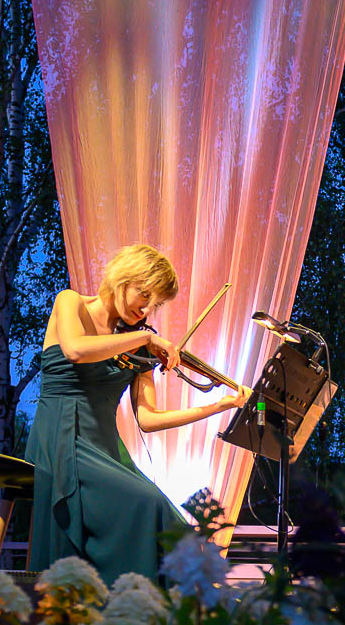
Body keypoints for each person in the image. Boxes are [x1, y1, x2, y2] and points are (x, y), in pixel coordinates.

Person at [25, 244, 249, 581]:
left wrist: (218, 406)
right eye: (144, 294)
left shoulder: (138, 342)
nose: (146, 309)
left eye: (155, 304)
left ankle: (147, 608)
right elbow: (75, 350)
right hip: (62, 437)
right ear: (122, 279)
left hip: (105, 448)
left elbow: (148, 419)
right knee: (147, 503)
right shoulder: (71, 302)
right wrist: (143, 338)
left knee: (176, 530)